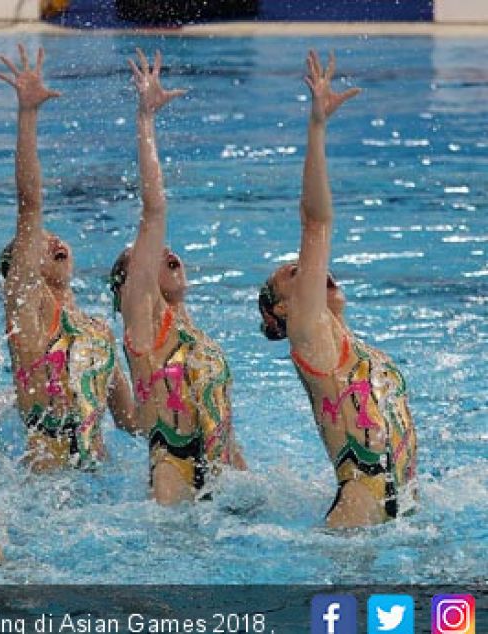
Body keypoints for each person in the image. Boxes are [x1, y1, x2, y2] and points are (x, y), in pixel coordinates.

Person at [257, 51, 417, 528]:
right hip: (358, 511)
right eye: (294, 274)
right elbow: (316, 222)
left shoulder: (359, 351)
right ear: (284, 310)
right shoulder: (310, 337)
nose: (308, 272)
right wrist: (318, 127)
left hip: (399, 510)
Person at [110, 49, 247, 505]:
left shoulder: (195, 338)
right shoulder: (145, 324)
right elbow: (154, 211)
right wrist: (145, 120)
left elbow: (223, 429)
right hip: (175, 501)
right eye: (143, 258)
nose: (165, 252)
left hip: (224, 495)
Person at [0, 44, 135, 472]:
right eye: (39, 240)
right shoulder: (30, 313)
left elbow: (131, 420)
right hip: (46, 482)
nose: (53, 240)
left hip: (98, 480)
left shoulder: (98, 333)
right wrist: (28, 116)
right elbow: (29, 204)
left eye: (56, 237)